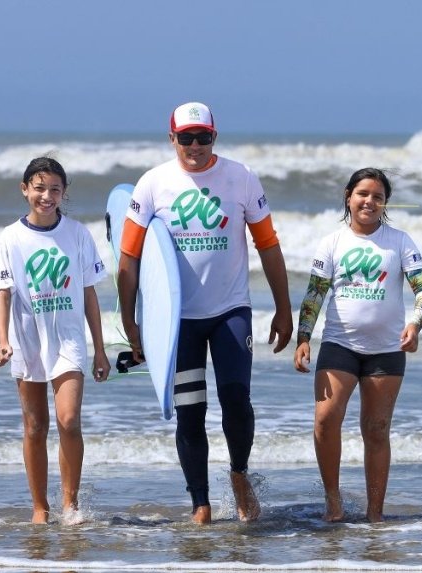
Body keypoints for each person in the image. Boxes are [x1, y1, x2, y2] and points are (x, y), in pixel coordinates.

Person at [117, 102, 292, 524]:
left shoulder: (241, 177)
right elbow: (128, 257)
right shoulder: (153, 184)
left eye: (204, 137)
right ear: (171, 137)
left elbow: (268, 245)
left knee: (236, 400)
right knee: (190, 411)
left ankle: (238, 474)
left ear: (215, 135)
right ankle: (200, 502)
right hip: (177, 323)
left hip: (231, 309)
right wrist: (130, 322)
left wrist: (283, 309)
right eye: (186, 138)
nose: (195, 146)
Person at [293, 168, 422, 522]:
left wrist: (415, 324)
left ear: (385, 203)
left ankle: (375, 514)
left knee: (375, 429)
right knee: (326, 421)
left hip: (386, 350)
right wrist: (303, 338)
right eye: (363, 194)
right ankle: (334, 502)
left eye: (378, 196)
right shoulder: (332, 242)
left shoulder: (400, 241)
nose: (369, 201)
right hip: (340, 345)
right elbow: (314, 295)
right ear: (348, 196)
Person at [0, 157, 110, 524]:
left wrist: (101, 350)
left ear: (64, 193)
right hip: (28, 341)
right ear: (25, 189)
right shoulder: (10, 238)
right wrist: (1, 341)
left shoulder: (77, 234)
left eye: (54, 189)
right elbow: (3, 294)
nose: (46, 196)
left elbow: (90, 294)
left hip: (69, 341)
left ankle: (69, 505)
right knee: (34, 427)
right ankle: (40, 507)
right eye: (39, 187)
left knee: (69, 420)